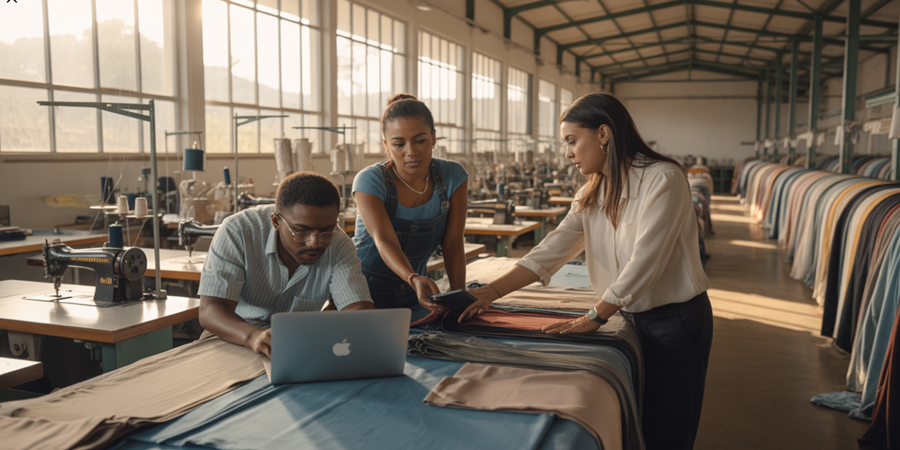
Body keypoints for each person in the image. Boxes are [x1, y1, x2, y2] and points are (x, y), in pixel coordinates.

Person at [461, 92, 713, 450]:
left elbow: (646, 262)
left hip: (675, 321)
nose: (568, 153)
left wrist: (595, 316)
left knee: (669, 428)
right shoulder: (592, 191)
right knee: (638, 419)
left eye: (571, 141)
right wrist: (491, 292)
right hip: (629, 317)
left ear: (603, 134)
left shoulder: (663, 179)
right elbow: (551, 250)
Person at [198, 172, 374, 358]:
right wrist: (254, 336)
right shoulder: (237, 231)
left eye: (327, 231)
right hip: (235, 336)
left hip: (297, 343)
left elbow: (359, 311)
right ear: (276, 221)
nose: (315, 243)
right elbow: (210, 309)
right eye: (301, 231)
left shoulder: (339, 244)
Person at [352, 93, 468, 321]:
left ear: (433, 138)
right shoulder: (370, 181)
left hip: (418, 295)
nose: (411, 152)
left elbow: (453, 243)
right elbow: (384, 241)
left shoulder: (453, 176)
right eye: (398, 144)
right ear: (386, 146)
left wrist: (459, 298)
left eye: (420, 140)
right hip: (362, 294)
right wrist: (413, 277)